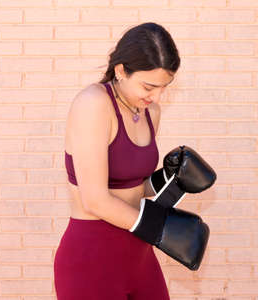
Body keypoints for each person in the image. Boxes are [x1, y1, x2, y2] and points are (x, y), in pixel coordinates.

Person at [54, 22, 214, 300]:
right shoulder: (93, 104)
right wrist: (161, 229)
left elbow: (135, 188)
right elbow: (96, 200)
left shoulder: (151, 113)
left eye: (164, 87)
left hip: (139, 255)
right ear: (121, 71)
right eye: (149, 86)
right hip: (92, 258)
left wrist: (171, 181)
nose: (156, 96)